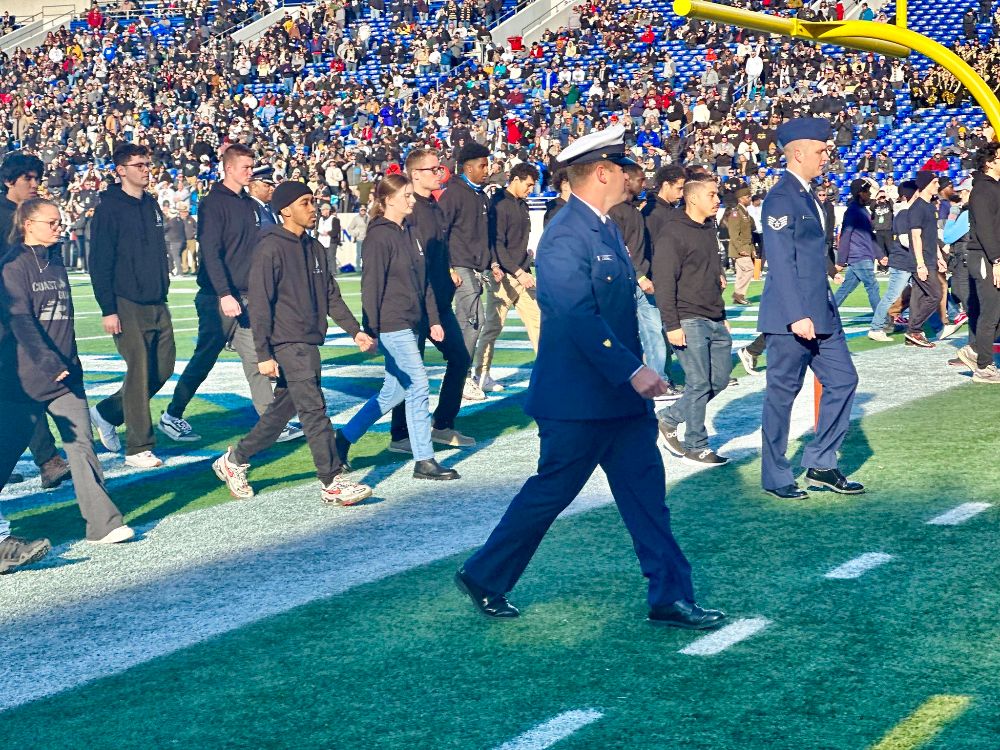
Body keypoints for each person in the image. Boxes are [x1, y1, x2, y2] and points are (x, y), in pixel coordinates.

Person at [455, 125, 726, 630]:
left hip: (618, 403)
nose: (631, 177)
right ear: (602, 172)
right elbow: (576, 315)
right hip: (578, 403)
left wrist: (632, 377)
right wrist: (633, 369)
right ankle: (485, 574)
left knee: (648, 500)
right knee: (549, 495)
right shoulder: (565, 233)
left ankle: (671, 595)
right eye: (623, 169)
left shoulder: (602, 228)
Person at [212, 182, 376, 505]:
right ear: (285, 209)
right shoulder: (270, 247)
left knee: (280, 413)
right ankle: (331, 481)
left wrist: (354, 330)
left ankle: (234, 460)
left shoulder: (314, 247)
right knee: (315, 409)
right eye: (305, 202)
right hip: (287, 342)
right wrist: (264, 354)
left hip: (308, 341)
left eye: (313, 201)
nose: (313, 207)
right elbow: (259, 304)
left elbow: (331, 294)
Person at [1, 198, 134, 543]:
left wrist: (68, 363)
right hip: (24, 380)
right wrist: (47, 362)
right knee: (5, 454)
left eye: (60, 223)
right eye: (52, 223)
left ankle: (104, 524)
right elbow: (21, 321)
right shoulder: (12, 266)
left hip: (65, 377)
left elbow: (63, 320)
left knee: (82, 447)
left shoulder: (56, 260)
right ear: (28, 224)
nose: (60, 228)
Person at [160, 145, 302, 444]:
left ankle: (271, 421)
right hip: (218, 297)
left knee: (256, 359)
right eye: (246, 168)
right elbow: (210, 250)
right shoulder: (213, 202)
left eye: (252, 168)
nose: (250, 173)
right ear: (229, 169)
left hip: (247, 297)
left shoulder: (251, 205)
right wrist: (224, 293)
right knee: (205, 358)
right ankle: (172, 415)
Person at [758, 118, 863, 500]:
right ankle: (775, 475)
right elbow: (781, 261)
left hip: (823, 312)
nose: (826, 156)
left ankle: (820, 462)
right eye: (820, 151)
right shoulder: (781, 197)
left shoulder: (808, 196)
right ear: (798, 153)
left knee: (844, 380)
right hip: (793, 318)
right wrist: (796, 314)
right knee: (781, 396)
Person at [338, 173, 460, 481]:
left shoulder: (411, 232)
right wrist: (370, 328)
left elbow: (425, 281)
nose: (411, 200)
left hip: (414, 320)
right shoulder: (379, 236)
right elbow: (371, 286)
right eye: (406, 195)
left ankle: (341, 439)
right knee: (418, 385)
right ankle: (424, 459)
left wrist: (433, 319)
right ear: (388, 199)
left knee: (393, 392)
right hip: (393, 324)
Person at [88, 144, 176, 469]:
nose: (145, 169)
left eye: (147, 164)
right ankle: (138, 447)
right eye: (138, 165)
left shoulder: (152, 204)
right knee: (138, 372)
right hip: (125, 301)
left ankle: (108, 413)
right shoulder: (108, 209)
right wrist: (107, 308)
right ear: (120, 170)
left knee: (163, 367)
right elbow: (99, 261)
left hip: (156, 300)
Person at [388, 148, 475, 454]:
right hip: (419, 305)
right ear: (414, 175)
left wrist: (448, 269)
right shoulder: (412, 211)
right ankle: (399, 435)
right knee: (409, 371)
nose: (440, 173)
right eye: (433, 169)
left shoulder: (433, 206)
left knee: (460, 358)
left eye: (439, 168)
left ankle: (442, 425)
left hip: (439, 301)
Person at [0, 151, 69, 489]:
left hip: (29, 311)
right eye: (26, 177)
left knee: (23, 389)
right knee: (22, 390)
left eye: (36, 177)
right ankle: (47, 459)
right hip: (7, 314)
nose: (34, 183)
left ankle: (46, 459)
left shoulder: (40, 217)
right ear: (8, 181)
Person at [654, 174, 733, 466]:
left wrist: (722, 314)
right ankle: (696, 445)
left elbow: (713, 277)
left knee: (719, 380)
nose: (717, 199)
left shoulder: (707, 228)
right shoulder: (672, 232)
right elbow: (663, 281)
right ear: (693, 198)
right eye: (712, 195)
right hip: (687, 318)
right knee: (699, 383)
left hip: (713, 315)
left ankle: (669, 418)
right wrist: (672, 325)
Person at [474, 162, 541, 391]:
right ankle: (480, 376)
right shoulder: (499, 204)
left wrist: (526, 258)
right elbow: (497, 244)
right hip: (504, 276)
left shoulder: (523, 205)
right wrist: (518, 271)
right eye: (529, 185)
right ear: (516, 179)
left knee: (539, 323)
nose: (531, 190)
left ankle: (548, 373)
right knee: (493, 327)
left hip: (523, 273)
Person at [438, 141, 494, 402]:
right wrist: (448, 266)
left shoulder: (480, 195)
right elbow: (441, 232)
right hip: (459, 264)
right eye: (482, 165)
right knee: (472, 321)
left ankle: (460, 374)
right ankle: (460, 376)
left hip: (474, 266)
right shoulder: (453, 194)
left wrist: (491, 263)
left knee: (473, 321)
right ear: (468, 167)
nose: (487, 170)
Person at [641, 164, 687, 398]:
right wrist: (647, 277)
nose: (681, 193)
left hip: (670, 280)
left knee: (665, 331)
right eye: (678, 188)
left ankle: (664, 377)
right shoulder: (651, 212)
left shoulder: (673, 211)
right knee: (655, 334)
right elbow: (647, 250)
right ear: (666, 184)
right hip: (654, 281)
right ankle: (658, 382)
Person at [967, 143, 1000, 382]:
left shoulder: (994, 188)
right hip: (985, 258)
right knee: (991, 311)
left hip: (994, 257)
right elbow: (986, 229)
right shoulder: (981, 191)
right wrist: (996, 260)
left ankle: (976, 350)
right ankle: (984, 366)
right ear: (989, 162)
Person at [868, 181, 918, 342]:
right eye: (916, 192)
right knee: (891, 296)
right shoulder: (904, 213)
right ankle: (876, 327)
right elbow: (905, 240)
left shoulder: (911, 212)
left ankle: (921, 326)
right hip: (902, 262)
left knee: (923, 293)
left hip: (910, 261)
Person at [904, 171, 946, 349]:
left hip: (930, 258)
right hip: (921, 261)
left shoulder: (930, 206)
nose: (938, 185)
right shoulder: (916, 208)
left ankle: (913, 334)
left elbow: (932, 235)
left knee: (919, 297)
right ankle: (914, 329)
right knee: (935, 295)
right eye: (935, 182)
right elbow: (916, 237)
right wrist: (920, 264)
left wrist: (939, 256)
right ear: (927, 184)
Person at [833, 177, 884, 312]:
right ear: (860, 193)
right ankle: (881, 321)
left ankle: (827, 312)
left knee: (846, 288)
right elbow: (845, 236)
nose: (869, 194)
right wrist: (841, 261)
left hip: (862, 256)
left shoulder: (862, 210)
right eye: (867, 191)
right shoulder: (853, 211)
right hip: (860, 256)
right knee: (872, 286)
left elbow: (869, 235)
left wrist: (880, 254)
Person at [724, 185, 755, 305]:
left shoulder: (744, 212)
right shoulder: (736, 213)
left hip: (745, 247)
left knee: (742, 273)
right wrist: (740, 248)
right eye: (748, 197)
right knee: (749, 269)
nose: (750, 198)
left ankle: (739, 296)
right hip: (740, 249)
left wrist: (751, 248)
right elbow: (734, 233)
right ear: (741, 198)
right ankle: (738, 294)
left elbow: (748, 232)